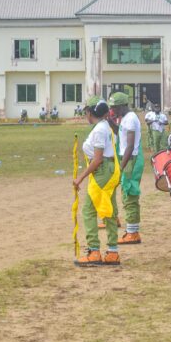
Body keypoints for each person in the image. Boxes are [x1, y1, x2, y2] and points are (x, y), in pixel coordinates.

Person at [73, 97, 121, 266]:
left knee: (89, 210)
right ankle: (113, 252)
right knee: (109, 209)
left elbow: (98, 159)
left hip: (102, 171)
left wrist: (80, 178)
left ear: (90, 112)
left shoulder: (100, 129)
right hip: (107, 170)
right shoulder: (104, 126)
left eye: (85, 112)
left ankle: (94, 251)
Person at [108, 92, 145, 246]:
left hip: (130, 159)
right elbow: (119, 133)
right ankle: (131, 231)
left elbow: (130, 145)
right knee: (127, 193)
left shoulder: (130, 119)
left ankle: (133, 233)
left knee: (130, 194)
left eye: (115, 107)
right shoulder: (125, 118)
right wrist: (110, 121)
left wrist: (121, 167)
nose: (113, 110)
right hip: (127, 158)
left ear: (123, 105)